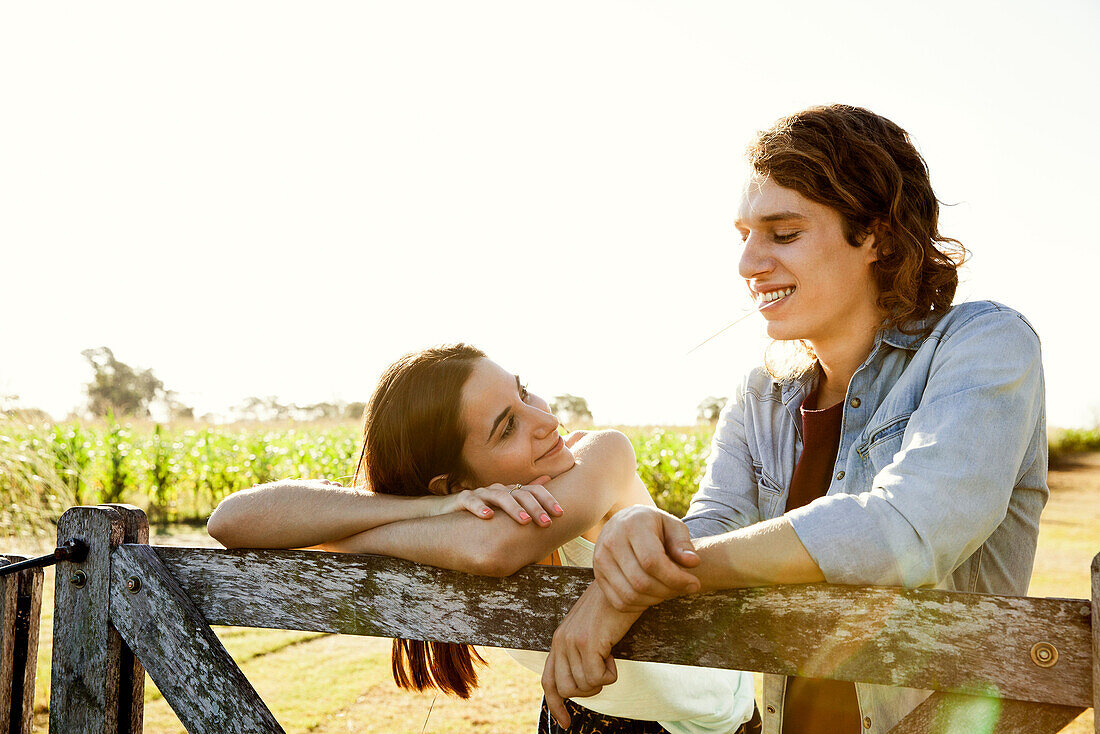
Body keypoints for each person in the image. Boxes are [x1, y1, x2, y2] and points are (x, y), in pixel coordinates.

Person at [542, 104, 1047, 734]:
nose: (748, 263)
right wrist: (648, 539)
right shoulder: (763, 392)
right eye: (745, 235)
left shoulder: (983, 343)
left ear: (878, 236)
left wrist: (630, 587)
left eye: (783, 235)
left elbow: (906, 531)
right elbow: (711, 527)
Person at [207, 344, 758, 734]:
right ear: (459, 485)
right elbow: (231, 520)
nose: (543, 419)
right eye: (506, 426)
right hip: (578, 720)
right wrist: (427, 508)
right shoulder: (451, 516)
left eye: (523, 395)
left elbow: (491, 550)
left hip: (707, 729)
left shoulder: (603, 457)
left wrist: (346, 538)